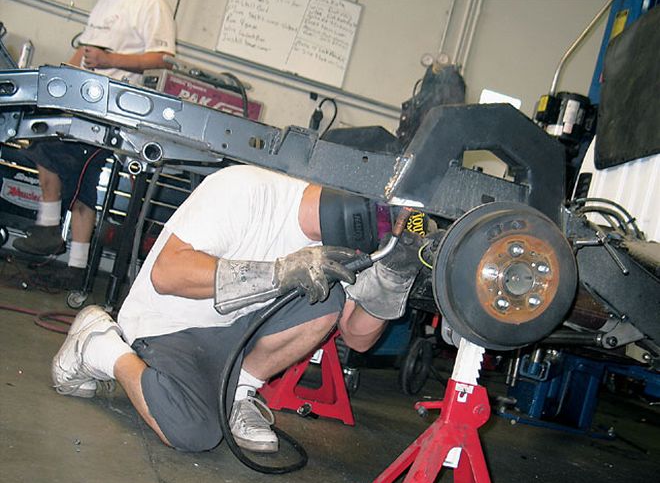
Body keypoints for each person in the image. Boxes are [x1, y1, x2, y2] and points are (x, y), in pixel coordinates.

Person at [50, 164, 423, 453]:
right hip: (170, 324)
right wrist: (277, 272)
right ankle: (99, 344)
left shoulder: (357, 237)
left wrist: (396, 274)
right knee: (194, 432)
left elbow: (357, 338)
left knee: (328, 297)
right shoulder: (246, 189)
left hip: (234, 332)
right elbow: (168, 273)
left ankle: (240, 392)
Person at [12, 0, 176, 290]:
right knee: (80, 181)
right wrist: (58, 81)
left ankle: (49, 228)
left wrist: (111, 61)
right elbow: (85, 52)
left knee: (48, 152)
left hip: (112, 108)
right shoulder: (105, 3)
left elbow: (162, 59)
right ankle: (75, 268)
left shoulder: (151, 5)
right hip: (82, 101)